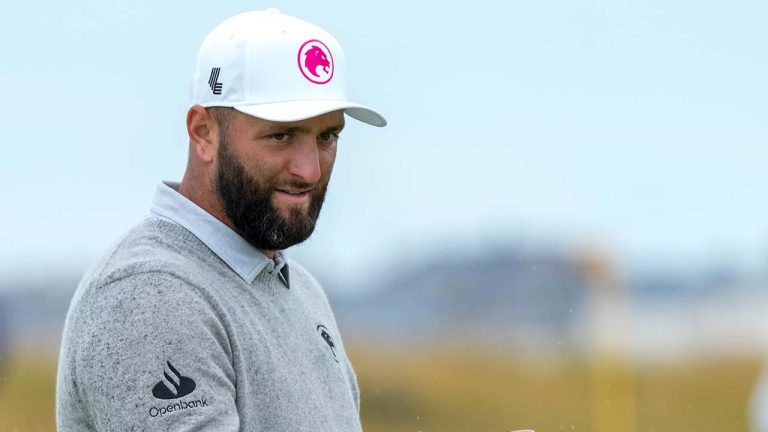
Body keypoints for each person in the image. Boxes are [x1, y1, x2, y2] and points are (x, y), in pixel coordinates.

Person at [56, 9, 386, 431]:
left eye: (327, 136)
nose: (310, 170)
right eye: (281, 135)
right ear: (203, 132)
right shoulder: (153, 295)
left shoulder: (299, 289)